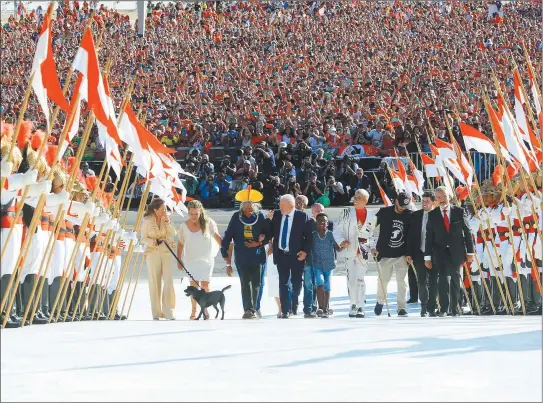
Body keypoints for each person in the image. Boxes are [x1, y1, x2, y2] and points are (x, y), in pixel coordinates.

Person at [424, 186, 475, 317]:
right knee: (442, 281)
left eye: (444, 197)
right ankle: (443, 308)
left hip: (456, 251)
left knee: (455, 280)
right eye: (438, 197)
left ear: (449, 197)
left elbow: (467, 232)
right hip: (439, 252)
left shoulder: (459, 211)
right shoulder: (432, 214)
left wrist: (470, 252)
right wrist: (427, 257)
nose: (441, 200)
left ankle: (455, 307)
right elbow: (428, 237)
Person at [221, 199, 270, 319]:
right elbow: (228, 234)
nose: (248, 211)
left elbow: (269, 234)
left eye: (250, 209)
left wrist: (259, 243)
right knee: (245, 283)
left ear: (255, 208)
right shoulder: (236, 217)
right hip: (242, 256)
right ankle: (248, 309)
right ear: (242, 208)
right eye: (246, 209)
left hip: (257, 255)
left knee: (256, 284)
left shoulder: (261, 217)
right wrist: (224, 251)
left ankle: (254, 308)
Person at [334, 189, 376, 318]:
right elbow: (336, 229)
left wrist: (373, 247)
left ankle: (360, 306)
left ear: (366, 200)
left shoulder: (372, 216)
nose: (355, 200)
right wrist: (341, 241)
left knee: (360, 279)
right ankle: (352, 304)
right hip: (349, 251)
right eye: (355, 197)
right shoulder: (346, 212)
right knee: (351, 279)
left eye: (359, 198)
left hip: (362, 252)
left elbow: (372, 235)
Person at [177, 200, 222, 320]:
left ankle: (205, 309)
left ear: (200, 212)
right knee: (193, 287)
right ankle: (194, 311)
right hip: (190, 260)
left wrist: (226, 250)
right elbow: (180, 244)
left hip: (206, 260)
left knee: (205, 285)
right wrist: (179, 260)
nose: (193, 217)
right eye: (191, 214)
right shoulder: (184, 226)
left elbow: (217, 238)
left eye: (196, 214)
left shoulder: (208, 223)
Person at [370, 192, 413, 317]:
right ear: (395, 201)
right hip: (385, 254)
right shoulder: (383, 213)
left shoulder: (409, 214)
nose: (402, 209)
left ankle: (401, 307)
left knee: (402, 282)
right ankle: (380, 301)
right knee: (383, 281)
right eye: (400, 206)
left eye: (405, 207)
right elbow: (370, 229)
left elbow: (411, 235)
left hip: (402, 254)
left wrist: (409, 253)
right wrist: (373, 247)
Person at [270, 194, 313, 318]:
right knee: (283, 283)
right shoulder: (277, 215)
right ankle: (285, 310)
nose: (280, 207)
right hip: (281, 254)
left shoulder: (302, 216)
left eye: (282, 205)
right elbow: (271, 231)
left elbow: (309, 237)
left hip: (296, 255)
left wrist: (305, 252)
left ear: (291, 206)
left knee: (296, 283)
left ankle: (294, 303)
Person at [140, 198, 177, 320]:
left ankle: (168, 311)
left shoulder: (166, 218)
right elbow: (143, 238)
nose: (165, 211)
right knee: (154, 281)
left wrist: (167, 222)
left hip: (166, 251)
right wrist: (153, 241)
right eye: (163, 209)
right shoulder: (147, 221)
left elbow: (173, 233)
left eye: (165, 209)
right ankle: (156, 312)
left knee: (168, 280)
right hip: (153, 252)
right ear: (155, 210)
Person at [406, 191, 437, 317]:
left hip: (434, 253)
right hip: (419, 253)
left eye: (427, 201)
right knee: (422, 280)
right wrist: (408, 253)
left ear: (433, 202)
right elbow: (410, 236)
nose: (424, 203)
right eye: (423, 201)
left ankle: (433, 305)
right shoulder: (416, 215)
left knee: (434, 280)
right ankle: (424, 306)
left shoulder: (438, 215)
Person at [311, 213, 342, 318]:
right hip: (317, 263)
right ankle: (320, 307)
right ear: (316, 222)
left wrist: (345, 244)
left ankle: (325, 308)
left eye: (324, 221)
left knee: (327, 286)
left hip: (329, 264)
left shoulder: (330, 234)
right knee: (320, 283)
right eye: (319, 220)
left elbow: (338, 248)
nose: (322, 222)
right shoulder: (313, 235)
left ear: (327, 223)